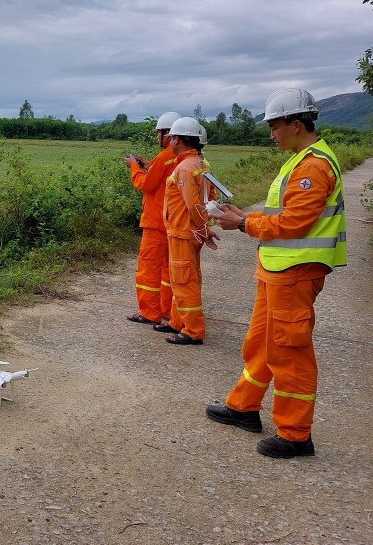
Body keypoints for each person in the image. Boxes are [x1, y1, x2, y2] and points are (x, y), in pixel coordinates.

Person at [206, 88, 346, 459]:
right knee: (260, 343)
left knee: (289, 352)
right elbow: (280, 215)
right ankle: (243, 408)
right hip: (278, 270)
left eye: (274, 126)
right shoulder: (300, 159)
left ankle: (296, 435)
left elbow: (294, 223)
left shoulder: (313, 166)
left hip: (295, 273)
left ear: (295, 124)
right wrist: (245, 217)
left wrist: (241, 224)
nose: (271, 134)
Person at [154, 117, 216, 345]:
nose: (168, 140)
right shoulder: (200, 164)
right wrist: (205, 229)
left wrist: (203, 228)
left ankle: (193, 329)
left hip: (183, 232)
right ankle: (177, 321)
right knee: (183, 278)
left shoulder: (186, 167)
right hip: (187, 232)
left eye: (171, 137)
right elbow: (208, 199)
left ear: (177, 139)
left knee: (184, 281)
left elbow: (194, 205)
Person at [124, 111, 181, 326]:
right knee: (167, 270)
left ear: (168, 134)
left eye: (159, 133)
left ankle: (149, 312)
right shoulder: (180, 157)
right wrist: (148, 164)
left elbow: (146, 184)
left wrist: (134, 167)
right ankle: (166, 310)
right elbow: (161, 174)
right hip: (170, 222)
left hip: (156, 222)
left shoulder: (165, 156)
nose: (157, 137)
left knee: (148, 268)